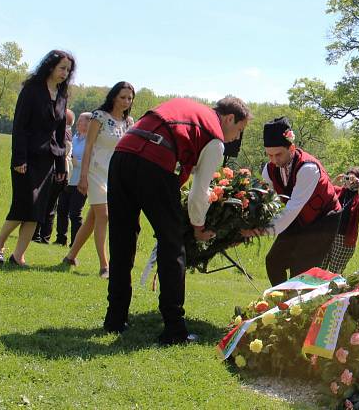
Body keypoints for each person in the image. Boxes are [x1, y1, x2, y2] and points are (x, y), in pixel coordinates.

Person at [103, 96, 250, 344]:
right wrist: (198, 228)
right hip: (153, 164)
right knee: (173, 246)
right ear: (228, 118)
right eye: (239, 130)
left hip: (121, 155)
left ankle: (115, 319)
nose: (236, 137)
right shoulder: (214, 138)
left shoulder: (188, 108)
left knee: (121, 240)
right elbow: (199, 193)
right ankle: (174, 329)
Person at [0, 50, 75, 266]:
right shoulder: (31, 90)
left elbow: (58, 134)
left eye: (68, 70)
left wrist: (60, 165)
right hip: (26, 158)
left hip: (48, 161)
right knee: (23, 205)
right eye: (62, 68)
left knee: (37, 210)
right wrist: (19, 159)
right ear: (50, 67)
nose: (65, 73)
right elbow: (19, 126)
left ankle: (19, 255)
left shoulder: (62, 95)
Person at [255, 117, 342, 285]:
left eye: (278, 154)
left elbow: (292, 209)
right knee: (274, 261)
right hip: (296, 217)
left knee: (300, 270)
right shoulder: (269, 169)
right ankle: (281, 302)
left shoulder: (308, 168)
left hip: (323, 220)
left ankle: (296, 307)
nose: (273, 160)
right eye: (269, 155)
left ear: (292, 148)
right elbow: (271, 202)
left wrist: (262, 230)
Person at [63, 82, 135, 277]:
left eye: (129, 98)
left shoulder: (129, 122)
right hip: (95, 171)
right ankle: (105, 265)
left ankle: (70, 256)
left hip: (115, 174)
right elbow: (88, 147)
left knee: (93, 218)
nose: (126, 101)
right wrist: (83, 176)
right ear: (113, 97)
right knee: (104, 215)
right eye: (122, 97)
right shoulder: (99, 117)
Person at [33, 108, 75, 244]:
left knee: (46, 204)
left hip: (58, 172)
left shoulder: (64, 134)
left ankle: (40, 235)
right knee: (49, 205)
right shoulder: (67, 133)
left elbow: (61, 154)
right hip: (61, 172)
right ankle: (42, 235)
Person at [322, 167, 359, 274]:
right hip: (329, 235)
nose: (350, 181)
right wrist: (336, 179)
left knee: (334, 272)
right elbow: (325, 190)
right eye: (348, 177)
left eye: (353, 179)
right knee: (320, 266)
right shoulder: (340, 191)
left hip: (344, 240)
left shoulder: (358, 197)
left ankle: (333, 290)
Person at [55, 111, 91, 245]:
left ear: (89, 123)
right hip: (68, 179)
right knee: (62, 210)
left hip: (81, 182)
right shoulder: (74, 138)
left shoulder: (91, 142)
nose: (78, 122)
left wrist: (77, 162)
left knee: (75, 213)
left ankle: (75, 243)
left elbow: (92, 161)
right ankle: (60, 239)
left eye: (81, 120)